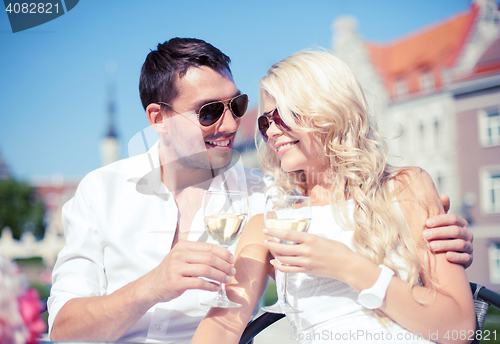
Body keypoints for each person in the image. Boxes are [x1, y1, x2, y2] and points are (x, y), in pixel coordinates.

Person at [48, 38, 473, 343]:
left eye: (238, 107)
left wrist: (437, 226)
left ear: (330, 112)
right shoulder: (100, 192)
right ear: (158, 119)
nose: (236, 125)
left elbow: (454, 322)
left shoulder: (269, 197)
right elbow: (65, 331)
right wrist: (153, 285)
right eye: (210, 112)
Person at [192, 50, 475, 344]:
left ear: (329, 110)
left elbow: (459, 328)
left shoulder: (406, 187)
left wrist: (346, 265)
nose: (273, 131)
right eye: (265, 123)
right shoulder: (271, 224)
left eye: (283, 116)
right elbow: (223, 325)